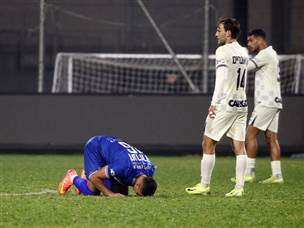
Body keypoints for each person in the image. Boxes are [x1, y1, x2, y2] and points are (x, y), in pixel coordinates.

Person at [185, 17, 249, 197]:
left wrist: (214, 104)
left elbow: (221, 79)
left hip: (225, 104)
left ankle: (204, 185)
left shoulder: (222, 51)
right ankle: (239, 188)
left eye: (219, 30)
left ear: (228, 33)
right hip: (242, 104)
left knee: (208, 142)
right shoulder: (243, 51)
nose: (216, 34)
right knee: (239, 146)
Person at [242, 29, 283, 184]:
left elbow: (246, 67)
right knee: (271, 138)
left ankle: (249, 172)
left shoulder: (265, 54)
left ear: (260, 40)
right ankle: (277, 175)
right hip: (274, 101)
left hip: (265, 102)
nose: (249, 44)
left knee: (250, 134)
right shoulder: (271, 54)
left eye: (251, 40)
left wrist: (234, 61)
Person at [58, 136, 157, 197]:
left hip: (113, 153)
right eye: (138, 193)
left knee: (122, 194)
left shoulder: (150, 169)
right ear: (138, 185)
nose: (136, 194)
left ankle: (88, 174)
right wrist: (110, 194)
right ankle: (72, 177)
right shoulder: (124, 166)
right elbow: (94, 177)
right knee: (92, 191)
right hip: (96, 147)